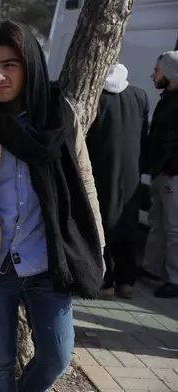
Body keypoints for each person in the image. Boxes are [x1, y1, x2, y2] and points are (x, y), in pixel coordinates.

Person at [0, 21, 105, 392]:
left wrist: (98, 244)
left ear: (29, 65)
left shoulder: (60, 117)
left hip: (49, 261)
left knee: (57, 357)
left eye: (9, 64)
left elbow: (86, 183)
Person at [85, 63, 149, 300]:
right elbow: (144, 135)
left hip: (101, 170)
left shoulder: (96, 98)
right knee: (127, 226)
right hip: (131, 173)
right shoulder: (139, 95)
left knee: (102, 227)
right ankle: (127, 281)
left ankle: (106, 281)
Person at [141, 50, 178, 298]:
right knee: (157, 224)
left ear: (171, 73)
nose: (153, 75)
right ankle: (151, 269)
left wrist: (170, 168)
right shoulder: (168, 98)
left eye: (157, 70)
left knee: (174, 228)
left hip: (171, 175)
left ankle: (174, 280)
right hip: (161, 173)